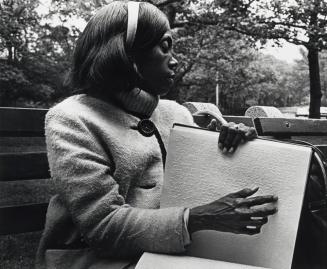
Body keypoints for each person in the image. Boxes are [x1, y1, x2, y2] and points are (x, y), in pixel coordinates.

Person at [36, 1, 278, 268]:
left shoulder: (175, 114)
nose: (174, 60)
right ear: (126, 53)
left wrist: (233, 145)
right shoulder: (72, 118)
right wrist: (199, 219)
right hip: (94, 260)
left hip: (173, 255)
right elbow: (103, 228)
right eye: (165, 46)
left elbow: (204, 187)